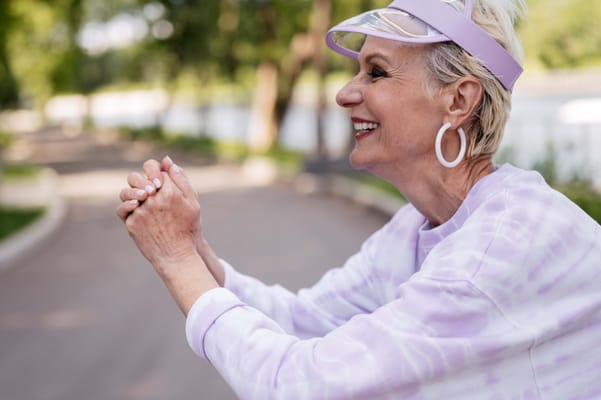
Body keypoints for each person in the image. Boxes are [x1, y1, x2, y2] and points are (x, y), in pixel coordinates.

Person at [117, 0, 601, 398]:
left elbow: (302, 386)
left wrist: (175, 259)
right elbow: (303, 321)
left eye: (377, 73)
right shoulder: (417, 228)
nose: (346, 94)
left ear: (458, 101)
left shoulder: (503, 244)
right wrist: (195, 246)